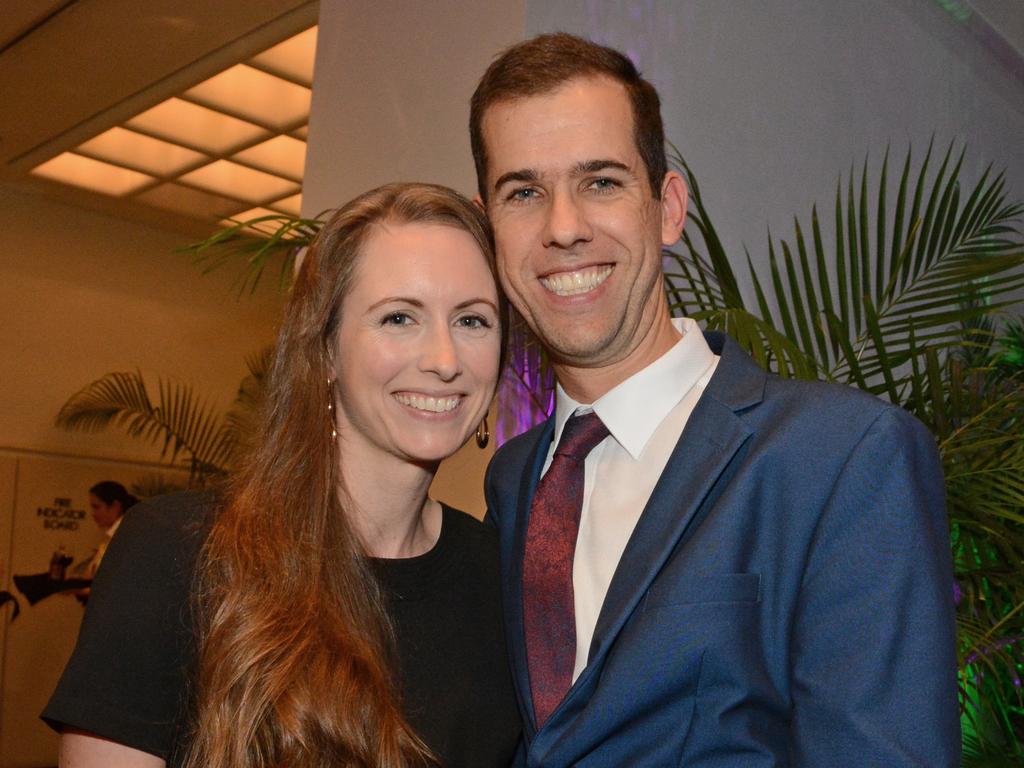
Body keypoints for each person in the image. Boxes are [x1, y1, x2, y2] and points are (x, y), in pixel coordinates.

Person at [472, 33, 959, 766]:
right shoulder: (511, 485)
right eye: (523, 193)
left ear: (668, 209)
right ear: (489, 226)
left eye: (601, 181)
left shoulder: (843, 458)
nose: (563, 227)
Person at [43, 183, 521, 768]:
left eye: (473, 320)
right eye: (399, 317)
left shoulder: (502, 578)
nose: (445, 360)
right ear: (323, 350)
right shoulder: (176, 552)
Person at [84, 481, 138, 576]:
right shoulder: (112, 536)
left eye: (96, 507)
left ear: (115, 506)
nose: (93, 513)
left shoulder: (126, 536)